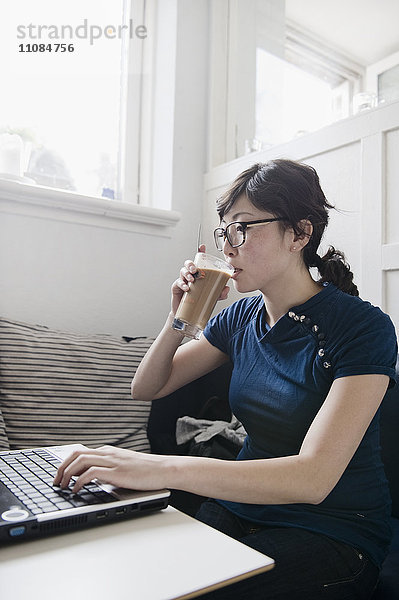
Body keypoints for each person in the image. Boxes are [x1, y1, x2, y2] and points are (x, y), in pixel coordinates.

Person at [54, 159, 397, 599]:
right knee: (137, 573)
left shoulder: (363, 327)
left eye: (243, 228)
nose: (228, 246)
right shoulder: (241, 317)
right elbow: (148, 388)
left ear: (300, 234)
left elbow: (312, 479)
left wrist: (160, 468)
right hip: (242, 508)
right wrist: (180, 316)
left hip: (333, 529)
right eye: (224, 231)